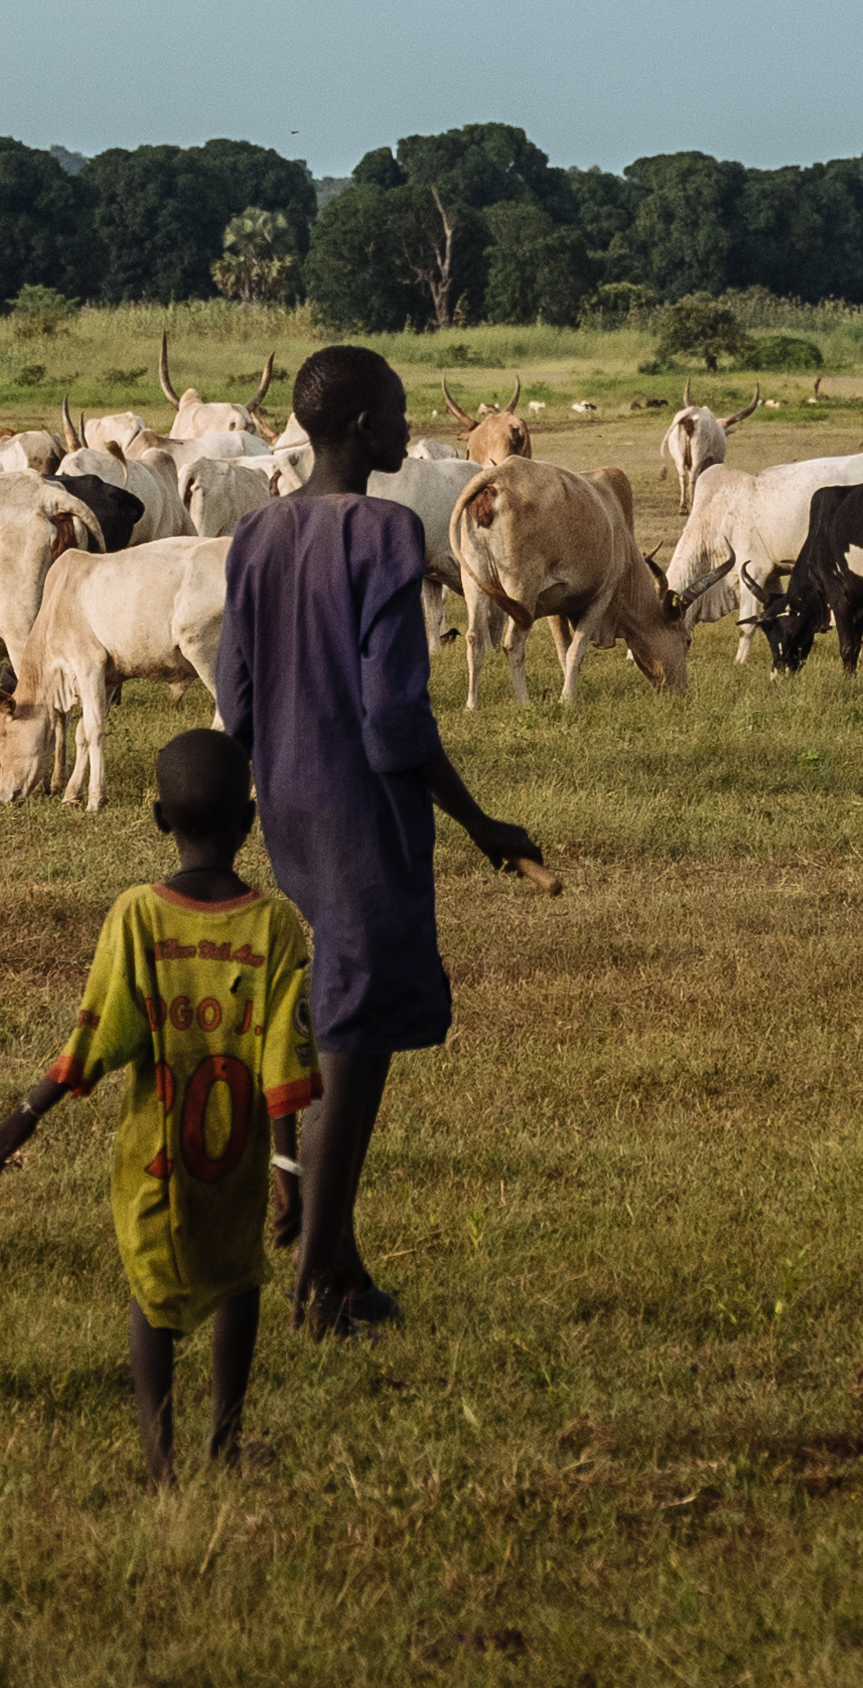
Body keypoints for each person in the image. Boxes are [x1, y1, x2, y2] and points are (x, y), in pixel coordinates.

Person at [216, 343, 548, 1335]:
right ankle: (320, 1278)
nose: (412, 428)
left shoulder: (256, 535)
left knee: (338, 997)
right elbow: (393, 720)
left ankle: (339, 1251)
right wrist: (482, 824)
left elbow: (235, 699)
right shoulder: (385, 536)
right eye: (399, 411)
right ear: (362, 426)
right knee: (358, 1032)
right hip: (363, 807)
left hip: (286, 802)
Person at [0, 727, 318, 1484]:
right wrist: (287, 1165)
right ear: (250, 820)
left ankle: (160, 1463)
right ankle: (224, 1441)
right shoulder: (277, 926)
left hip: (151, 1163)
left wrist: (25, 1112)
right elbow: (283, 1056)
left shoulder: (136, 916)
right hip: (237, 1162)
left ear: (159, 818)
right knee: (238, 1280)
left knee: (149, 1293)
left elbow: (94, 1034)